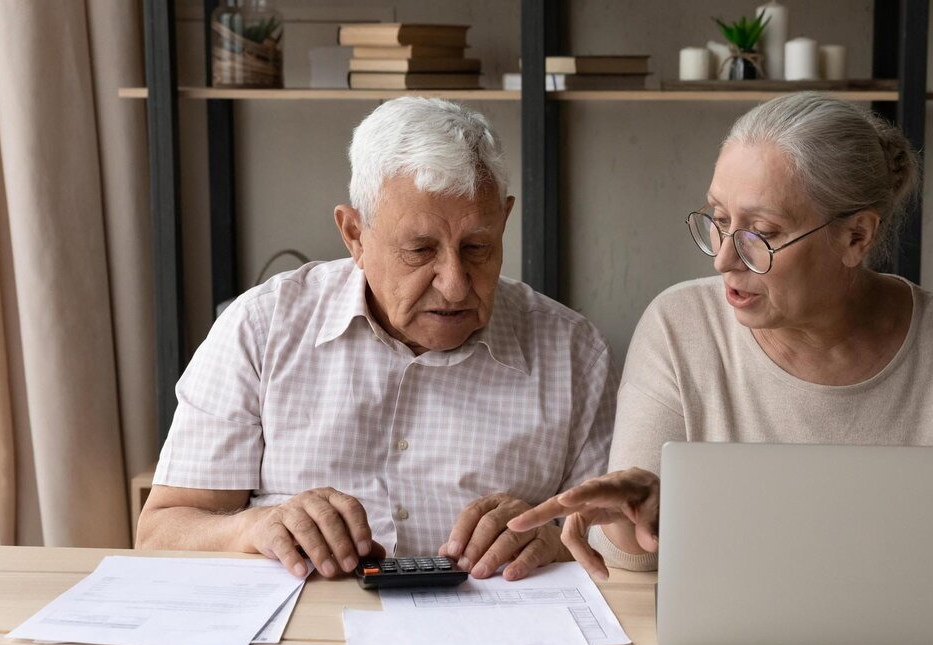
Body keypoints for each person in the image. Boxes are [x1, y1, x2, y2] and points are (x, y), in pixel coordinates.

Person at [511, 92, 933, 590]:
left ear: (856, 237)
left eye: (761, 233)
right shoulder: (681, 326)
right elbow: (636, 562)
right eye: (719, 221)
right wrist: (635, 522)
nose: (725, 258)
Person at [137, 98, 617, 582]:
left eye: (477, 247)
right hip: (301, 641)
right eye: (419, 250)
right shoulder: (262, 329)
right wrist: (253, 528)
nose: (454, 283)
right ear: (354, 235)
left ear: (505, 222)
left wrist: (554, 542)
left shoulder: (573, 354)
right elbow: (161, 531)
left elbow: (621, 544)